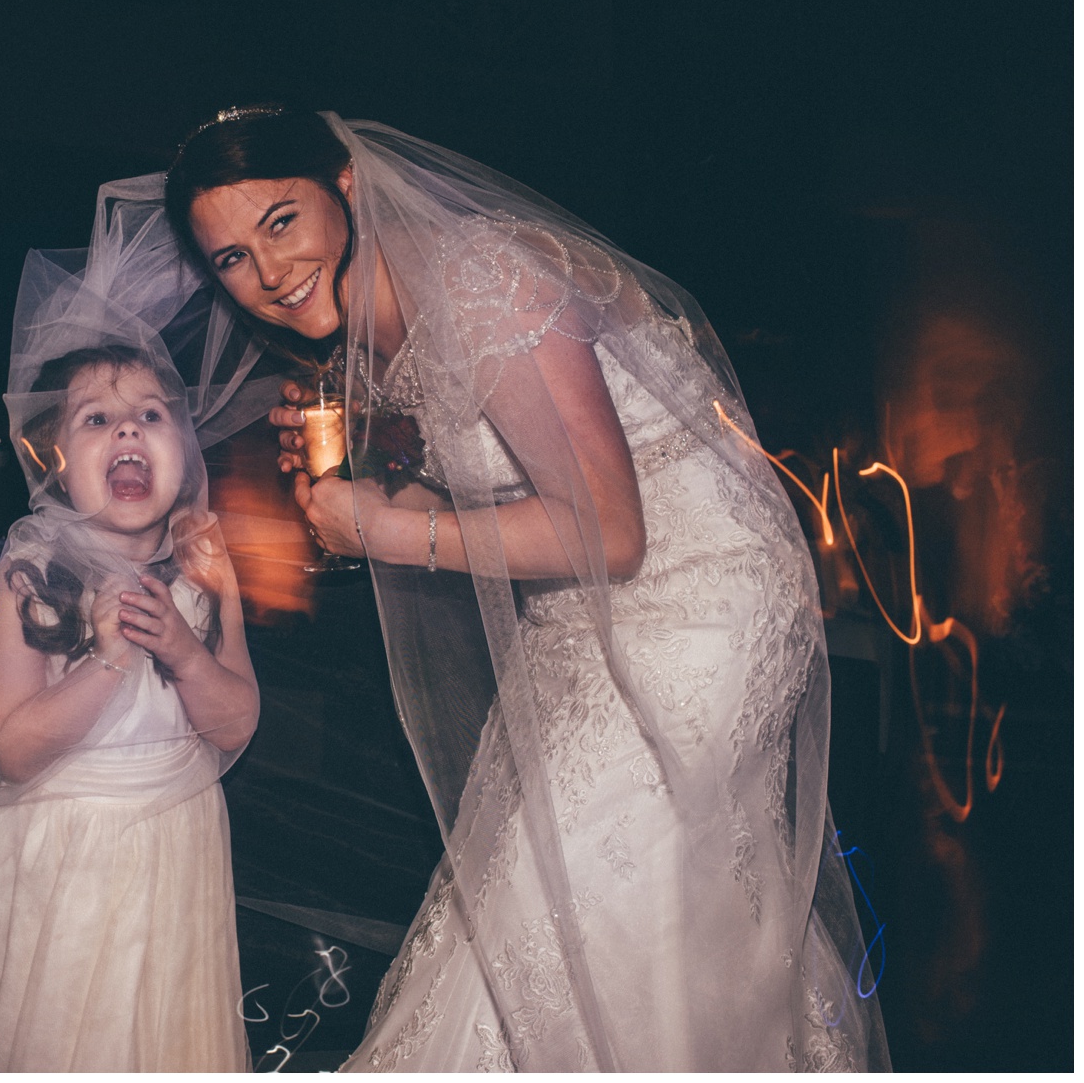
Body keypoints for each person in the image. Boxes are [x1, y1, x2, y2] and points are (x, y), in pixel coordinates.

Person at [130, 107, 889, 1071]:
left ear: (345, 184)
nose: (270, 274)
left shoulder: (482, 275)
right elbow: (510, 491)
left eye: (282, 221)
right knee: (565, 897)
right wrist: (381, 478)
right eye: (233, 259)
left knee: (582, 880)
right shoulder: (376, 332)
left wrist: (383, 526)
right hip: (578, 622)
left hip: (704, 602)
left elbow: (608, 530)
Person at [0, 226, 260, 1071]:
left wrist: (187, 655)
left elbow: (236, 724)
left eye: (151, 417)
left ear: (183, 449)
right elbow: (10, 748)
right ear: (58, 458)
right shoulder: (31, 572)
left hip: (182, 851)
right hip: (69, 869)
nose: (128, 431)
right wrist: (110, 657)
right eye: (98, 419)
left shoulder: (204, 564)